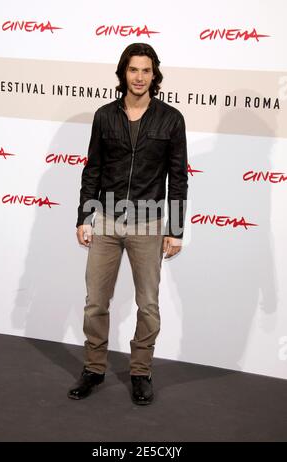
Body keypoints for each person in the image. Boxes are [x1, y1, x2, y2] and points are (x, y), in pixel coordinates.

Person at [68, 42, 188, 405]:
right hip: (105, 218)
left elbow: (178, 177)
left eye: (146, 70)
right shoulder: (105, 116)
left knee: (148, 305)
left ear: (155, 75)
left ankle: (140, 372)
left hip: (149, 223)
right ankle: (94, 366)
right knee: (95, 303)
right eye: (133, 70)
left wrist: (176, 229)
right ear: (124, 73)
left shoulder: (171, 119)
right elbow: (94, 169)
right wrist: (83, 216)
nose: (139, 77)